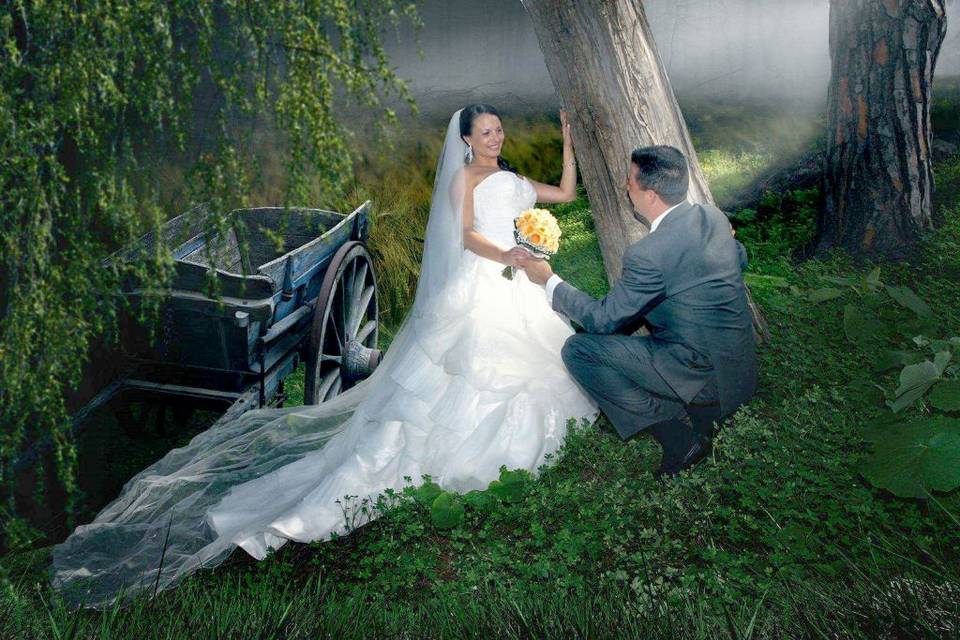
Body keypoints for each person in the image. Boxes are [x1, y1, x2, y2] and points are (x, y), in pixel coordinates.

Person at [50, 105, 598, 608]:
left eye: (498, 130)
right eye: (485, 132)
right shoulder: (465, 178)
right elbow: (465, 236)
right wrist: (507, 250)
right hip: (485, 275)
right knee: (449, 379)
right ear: (465, 139)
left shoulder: (512, 179)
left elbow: (566, 197)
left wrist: (570, 148)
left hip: (514, 276)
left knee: (538, 354)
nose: (495, 138)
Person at [520, 145, 757, 477]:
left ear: (652, 195)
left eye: (630, 180)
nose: (626, 186)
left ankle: (677, 437)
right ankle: (697, 408)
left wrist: (549, 280)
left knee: (580, 349)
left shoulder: (647, 254)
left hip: (704, 379)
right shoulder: (713, 217)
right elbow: (740, 257)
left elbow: (603, 320)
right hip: (741, 371)